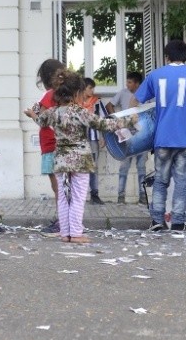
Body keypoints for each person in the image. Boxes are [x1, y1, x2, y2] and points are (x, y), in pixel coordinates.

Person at [24, 69, 137, 243]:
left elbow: (40, 120)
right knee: (77, 198)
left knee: (63, 198)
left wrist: (32, 113)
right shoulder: (80, 112)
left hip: (60, 160)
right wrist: (130, 121)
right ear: (76, 93)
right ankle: (76, 233)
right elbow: (104, 124)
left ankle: (65, 233)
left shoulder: (53, 112)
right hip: (80, 161)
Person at [131, 39, 186, 231]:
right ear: (185, 56)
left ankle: (157, 222)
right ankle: (177, 223)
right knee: (183, 183)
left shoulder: (156, 75)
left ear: (166, 56)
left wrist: (133, 121)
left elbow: (135, 100)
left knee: (161, 181)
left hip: (162, 138)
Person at [32, 58, 67, 236]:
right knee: (64, 187)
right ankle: (66, 221)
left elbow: (43, 120)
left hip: (51, 146)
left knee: (58, 188)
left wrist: (32, 114)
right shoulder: (66, 95)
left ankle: (62, 223)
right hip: (62, 145)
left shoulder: (49, 95)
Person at [106, 71, 149, 204]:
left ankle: (142, 196)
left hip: (143, 135)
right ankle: (121, 197)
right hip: (127, 133)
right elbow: (109, 105)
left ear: (137, 83)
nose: (127, 84)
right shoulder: (123, 93)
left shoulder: (147, 94)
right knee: (124, 167)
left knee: (141, 167)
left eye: (130, 82)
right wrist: (117, 119)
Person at [80, 77, 109, 205]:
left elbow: (104, 120)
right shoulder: (76, 102)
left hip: (93, 139)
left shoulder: (97, 102)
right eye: (90, 88)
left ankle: (94, 194)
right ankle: (79, 196)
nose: (92, 91)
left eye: (93, 88)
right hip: (79, 140)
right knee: (79, 168)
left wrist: (103, 137)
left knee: (93, 167)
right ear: (83, 88)